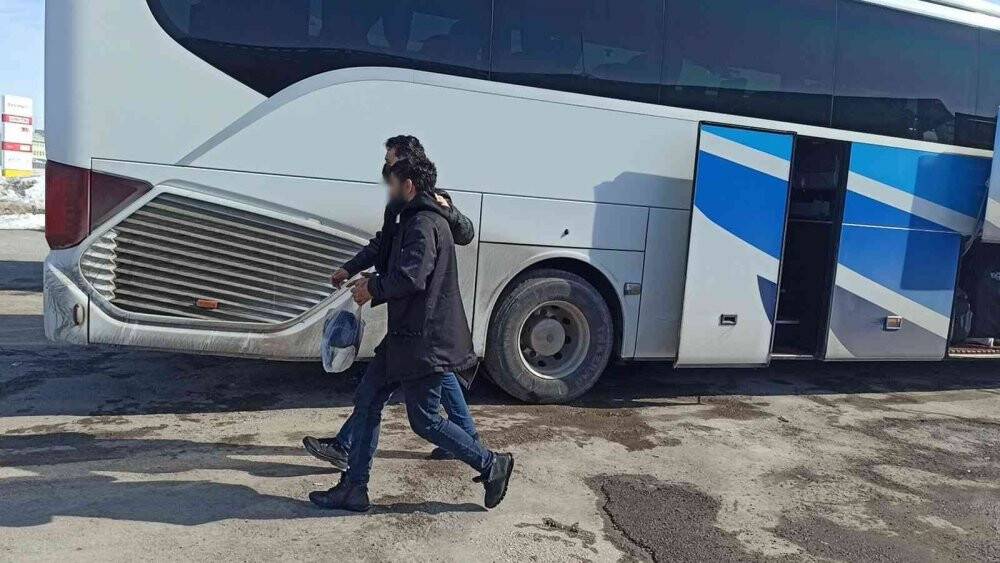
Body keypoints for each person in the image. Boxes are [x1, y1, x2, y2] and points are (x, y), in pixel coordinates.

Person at [309, 156, 514, 512]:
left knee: (426, 421)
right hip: (406, 336)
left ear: (409, 185)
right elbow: (386, 252)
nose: (387, 188)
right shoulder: (409, 216)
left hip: (425, 340)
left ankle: (491, 463)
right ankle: (354, 488)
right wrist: (358, 272)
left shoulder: (424, 221)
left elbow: (411, 277)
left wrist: (372, 287)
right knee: (369, 398)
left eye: (391, 180)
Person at [302, 136, 480, 469]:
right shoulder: (399, 206)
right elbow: (383, 244)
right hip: (412, 319)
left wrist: (375, 287)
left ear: (405, 169)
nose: (385, 167)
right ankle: (468, 440)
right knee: (409, 381)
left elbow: (461, 237)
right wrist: (353, 268)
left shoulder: (430, 208)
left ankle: (479, 455)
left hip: (422, 319)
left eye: (390, 160)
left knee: (413, 407)